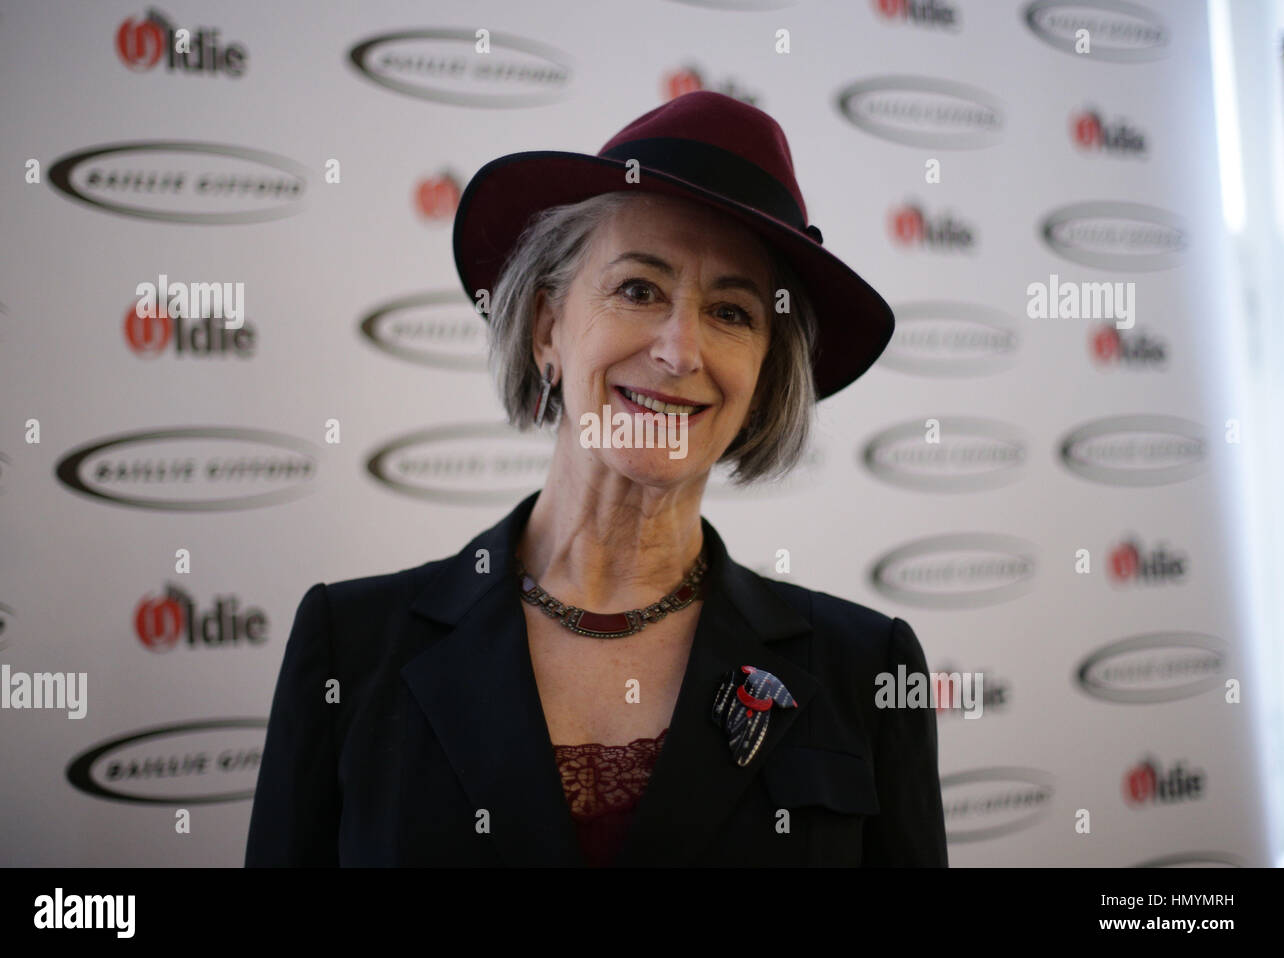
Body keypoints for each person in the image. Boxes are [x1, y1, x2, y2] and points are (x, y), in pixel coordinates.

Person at [245, 90, 948, 867]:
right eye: (639, 290)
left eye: (733, 313)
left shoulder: (864, 669)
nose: (680, 351)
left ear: (765, 375)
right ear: (548, 328)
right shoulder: (351, 646)